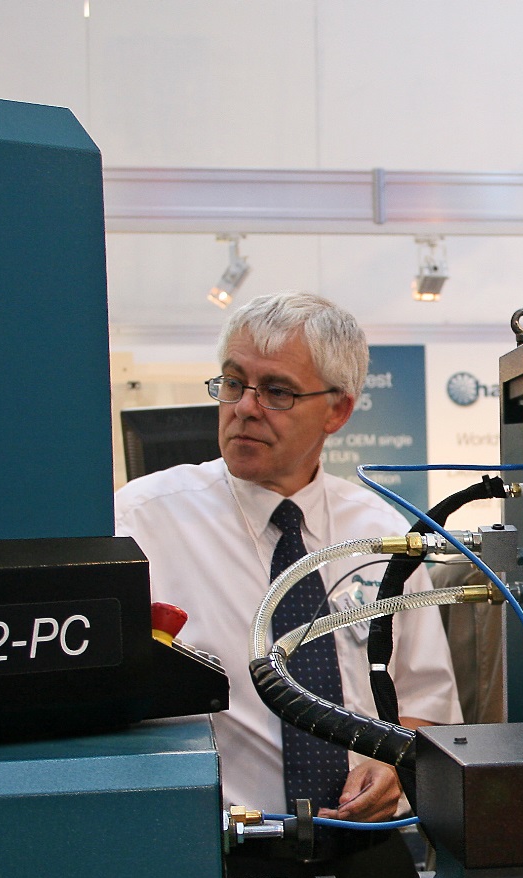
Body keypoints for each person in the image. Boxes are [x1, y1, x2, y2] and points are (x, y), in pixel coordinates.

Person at [115, 291, 461, 823]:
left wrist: (394, 765)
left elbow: (428, 703)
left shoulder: (383, 536)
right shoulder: (142, 524)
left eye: (277, 391)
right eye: (233, 383)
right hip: (211, 854)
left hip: (364, 849)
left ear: (338, 410)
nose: (245, 408)